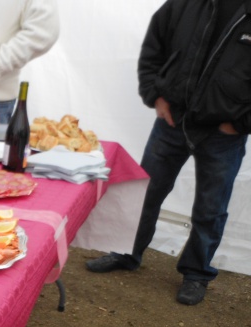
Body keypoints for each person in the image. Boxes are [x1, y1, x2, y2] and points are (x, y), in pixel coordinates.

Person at [85, 0, 249, 306]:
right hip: (172, 121)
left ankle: (196, 273)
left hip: (223, 135)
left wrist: (239, 124)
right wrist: (156, 96)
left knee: (211, 208)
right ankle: (127, 253)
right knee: (146, 192)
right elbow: (154, 46)